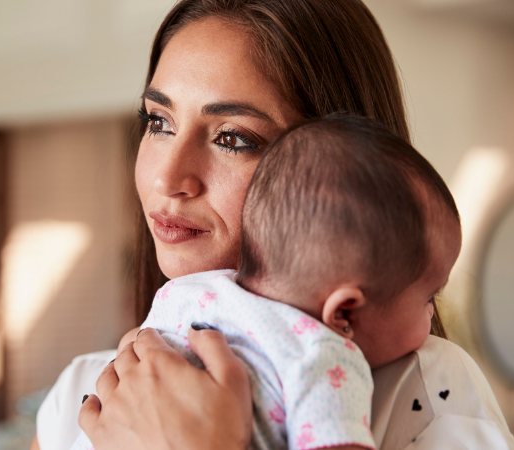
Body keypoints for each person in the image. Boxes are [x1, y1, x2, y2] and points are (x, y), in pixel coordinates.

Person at [32, 1, 514, 449]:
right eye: (158, 122)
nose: (166, 177)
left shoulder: (430, 393)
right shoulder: (76, 394)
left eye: (232, 138)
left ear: (343, 170)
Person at [70, 114, 461, 450]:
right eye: (429, 296)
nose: (166, 179)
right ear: (344, 311)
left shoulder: (186, 293)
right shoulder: (325, 358)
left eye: (231, 138)